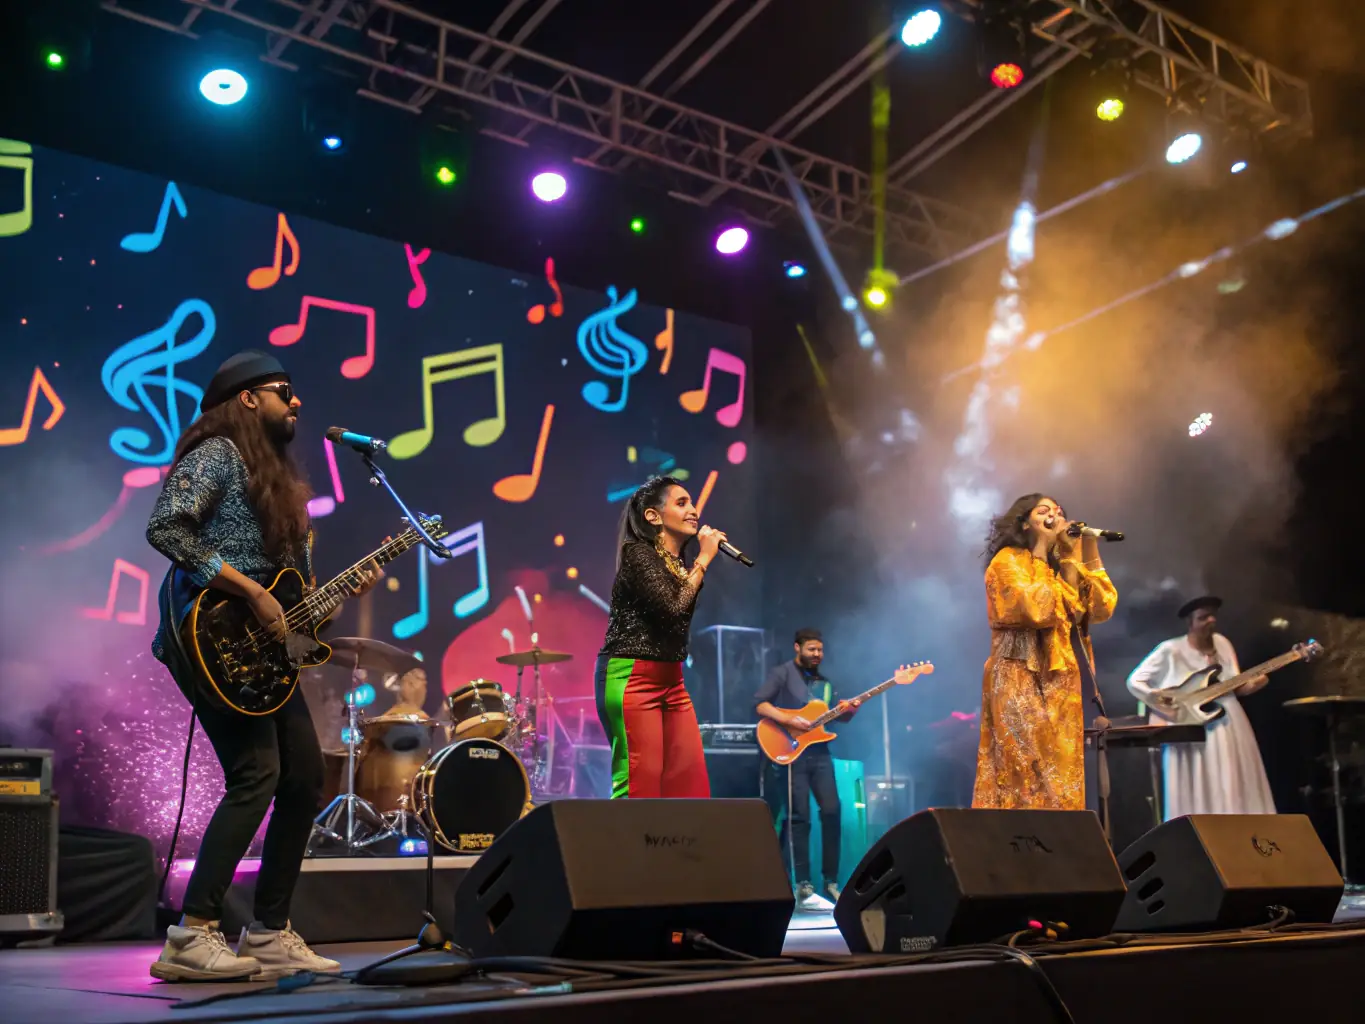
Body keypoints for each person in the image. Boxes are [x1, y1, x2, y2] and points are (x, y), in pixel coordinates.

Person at [145, 351, 378, 982]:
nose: (296, 401)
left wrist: (338, 596)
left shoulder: (281, 488)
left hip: (263, 657)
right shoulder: (216, 453)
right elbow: (166, 527)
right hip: (209, 638)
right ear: (248, 399)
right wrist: (250, 592)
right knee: (258, 774)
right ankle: (191, 934)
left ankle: (269, 930)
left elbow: (295, 611)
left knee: (303, 778)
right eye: (283, 391)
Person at [973, 494, 1118, 811]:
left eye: (1059, 511)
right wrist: (1042, 549)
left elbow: (1099, 606)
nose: (1055, 515)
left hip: (1061, 680)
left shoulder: (1063, 562)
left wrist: (1086, 547)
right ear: (1025, 522)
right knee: (1023, 768)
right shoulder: (1007, 561)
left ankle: (1058, 848)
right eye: (1044, 511)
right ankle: (1017, 847)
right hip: (1017, 673)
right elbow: (1034, 609)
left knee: (1061, 772)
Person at [595, 475, 725, 799]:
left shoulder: (677, 565)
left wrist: (696, 565)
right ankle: (627, 850)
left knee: (689, 784)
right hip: (632, 677)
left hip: (672, 681)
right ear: (653, 516)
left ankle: (681, 850)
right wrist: (705, 558)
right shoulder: (637, 555)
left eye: (693, 503)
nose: (693, 510)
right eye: (682, 503)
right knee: (640, 785)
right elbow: (674, 609)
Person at [1126, 596, 1274, 818]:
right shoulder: (1171, 650)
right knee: (1197, 776)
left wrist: (1259, 681)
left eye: (1213, 615)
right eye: (1203, 617)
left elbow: (1236, 685)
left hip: (1228, 721)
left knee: (1231, 777)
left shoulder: (1222, 643)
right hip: (1191, 722)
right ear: (1190, 622)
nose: (1210, 620)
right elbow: (1135, 681)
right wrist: (1163, 704)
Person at [755, 628, 859, 904]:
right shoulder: (782, 673)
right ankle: (802, 882)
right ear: (797, 648)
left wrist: (848, 712)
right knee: (799, 816)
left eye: (820, 650)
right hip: (793, 753)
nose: (817, 655)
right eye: (812, 649)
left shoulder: (824, 682)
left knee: (833, 810)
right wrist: (788, 721)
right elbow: (760, 705)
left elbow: (833, 719)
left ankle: (830, 880)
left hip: (821, 753)